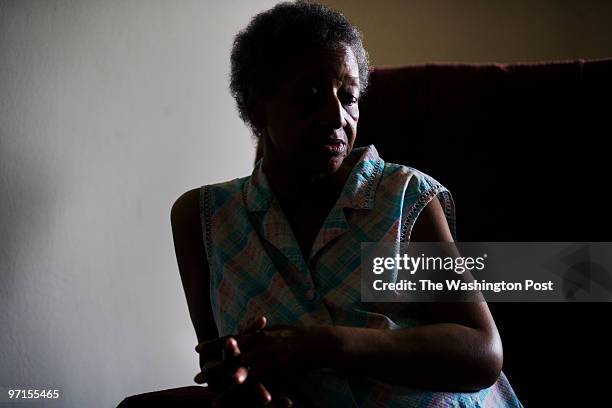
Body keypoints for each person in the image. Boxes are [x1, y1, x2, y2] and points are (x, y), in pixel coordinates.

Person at [122, 1, 523, 407]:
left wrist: (325, 345)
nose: (337, 116)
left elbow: (481, 353)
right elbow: (217, 362)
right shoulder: (204, 218)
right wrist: (244, 385)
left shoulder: (405, 197)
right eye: (310, 97)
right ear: (258, 106)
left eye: (348, 97)